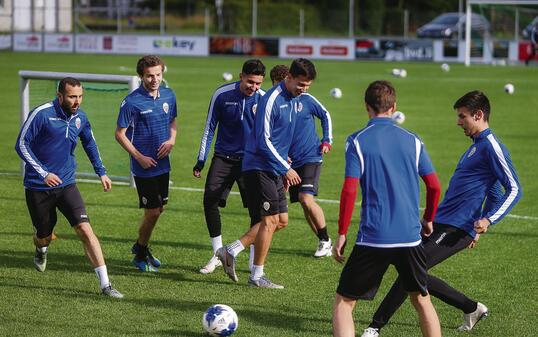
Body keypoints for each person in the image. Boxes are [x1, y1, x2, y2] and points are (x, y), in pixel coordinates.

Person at [360, 90, 522, 337]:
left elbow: (513, 188)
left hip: (456, 227)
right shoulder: (476, 147)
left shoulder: (491, 146)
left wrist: (488, 219)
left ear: (478, 115)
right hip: (441, 223)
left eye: (462, 116)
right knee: (412, 271)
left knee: (411, 271)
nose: (458, 122)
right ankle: (471, 308)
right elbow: (494, 191)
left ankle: (375, 326)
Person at [332, 80, 442, 337]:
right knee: (421, 300)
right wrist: (428, 219)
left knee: (345, 303)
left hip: (374, 237)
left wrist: (342, 233)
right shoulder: (413, 140)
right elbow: (435, 186)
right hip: (410, 236)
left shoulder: (357, 141)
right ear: (394, 107)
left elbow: (349, 190)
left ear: (366, 107)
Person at [15, 77, 123, 298]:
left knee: (85, 229)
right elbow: (21, 144)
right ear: (60, 95)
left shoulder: (80, 117)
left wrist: (101, 172)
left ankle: (106, 285)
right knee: (44, 236)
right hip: (38, 187)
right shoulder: (42, 113)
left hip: (66, 184)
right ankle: (41, 248)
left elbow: (90, 143)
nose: (77, 101)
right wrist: (43, 173)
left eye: (80, 96)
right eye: (73, 96)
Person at [216, 58, 317, 288]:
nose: (303, 90)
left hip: (276, 166)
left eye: (307, 86)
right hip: (259, 166)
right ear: (289, 77)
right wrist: (286, 168)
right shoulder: (271, 99)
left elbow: (283, 135)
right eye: (300, 84)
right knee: (270, 220)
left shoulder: (294, 99)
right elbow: (263, 140)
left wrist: (285, 161)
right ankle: (256, 276)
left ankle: (231, 250)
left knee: (281, 221)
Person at [193, 59, 266, 274]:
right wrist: (201, 160)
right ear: (241, 75)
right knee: (209, 200)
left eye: (258, 84)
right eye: (250, 82)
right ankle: (218, 255)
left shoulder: (263, 99)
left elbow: (270, 134)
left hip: (251, 162)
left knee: (258, 212)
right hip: (223, 158)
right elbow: (209, 127)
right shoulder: (222, 94)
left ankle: (254, 263)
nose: (254, 87)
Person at [115, 55, 177, 272]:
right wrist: (138, 156)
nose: (154, 79)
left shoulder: (169, 94)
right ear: (141, 76)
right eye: (150, 76)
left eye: (158, 75)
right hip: (143, 166)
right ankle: (140, 251)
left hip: (163, 164)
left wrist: (172, 140)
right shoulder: (131, 102)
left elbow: (173, 121)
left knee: (159, 209)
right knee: (152, 211)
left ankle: (141, 247)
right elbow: (120, 134)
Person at [270, 64, 334, 257]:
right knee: (301, 200)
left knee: (306, 198)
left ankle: (324, 239)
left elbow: (325, 115)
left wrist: (326, 141)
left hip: (311, 155)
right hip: (291, 162)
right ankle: (325, 241)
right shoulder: (275, 102)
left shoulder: (306, 99)